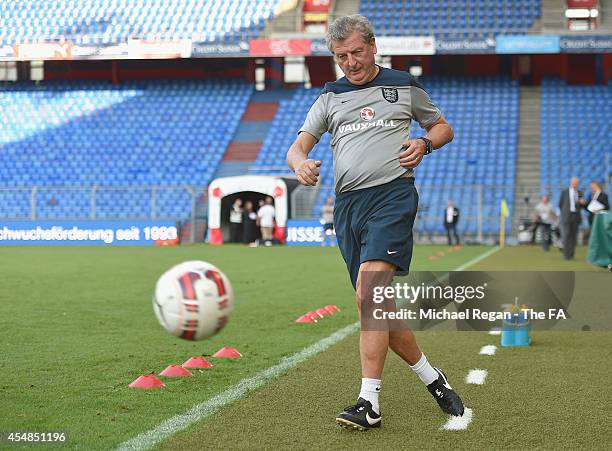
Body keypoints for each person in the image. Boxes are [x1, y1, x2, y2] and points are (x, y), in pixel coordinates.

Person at [286, 14, 464, 431]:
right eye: (340, 56)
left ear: (373, 46)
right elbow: (297, 147)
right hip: (348, 208)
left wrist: (423, 143)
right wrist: (301, 165)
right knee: (375, 305)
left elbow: (442, 127)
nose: (350, 62)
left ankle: (369, 402)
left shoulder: (403, 85)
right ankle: (434, 380)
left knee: (370, 292)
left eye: (356, 52)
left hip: (393, 197)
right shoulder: (329, 97)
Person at [558, 176, 584, 260]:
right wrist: (565, 213)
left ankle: (571, 254)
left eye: (577, 183)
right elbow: (560, 204)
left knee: (573, 237)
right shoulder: (564, 192)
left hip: (576, 217)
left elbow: (582, 206)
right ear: (571, 183)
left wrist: (582, 203)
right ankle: (566, 255)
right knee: (566, 235)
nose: (575, 184)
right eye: (574, 183)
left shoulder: (580, 193)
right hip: (566, 216)